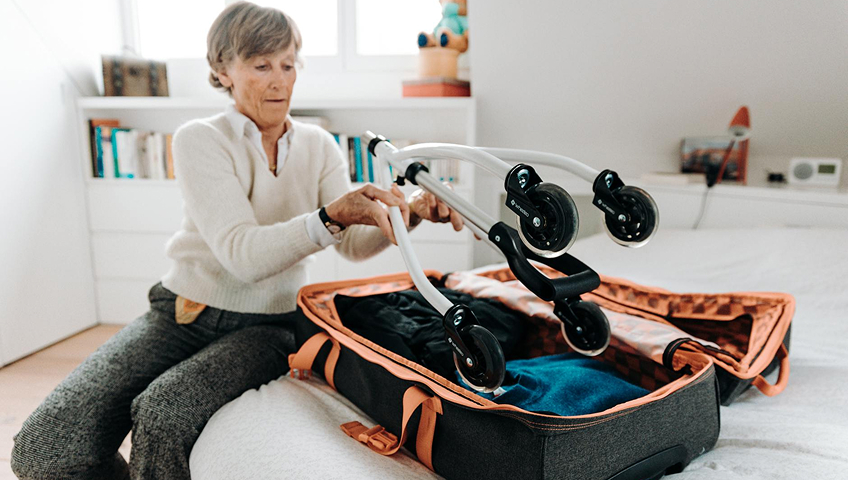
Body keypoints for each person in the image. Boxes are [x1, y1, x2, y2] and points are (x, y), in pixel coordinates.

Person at [10, 2, 464, 479]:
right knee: (43, 448)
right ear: (223, 70)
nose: (280, 81)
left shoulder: (319, 146)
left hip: (269, 326)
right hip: (181, 313)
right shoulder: (199, 139)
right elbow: (243, 255)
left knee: (162, 412)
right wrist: (331, 215)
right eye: (261, 65)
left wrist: (412, 213)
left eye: (288, 65)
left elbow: (351, 245)